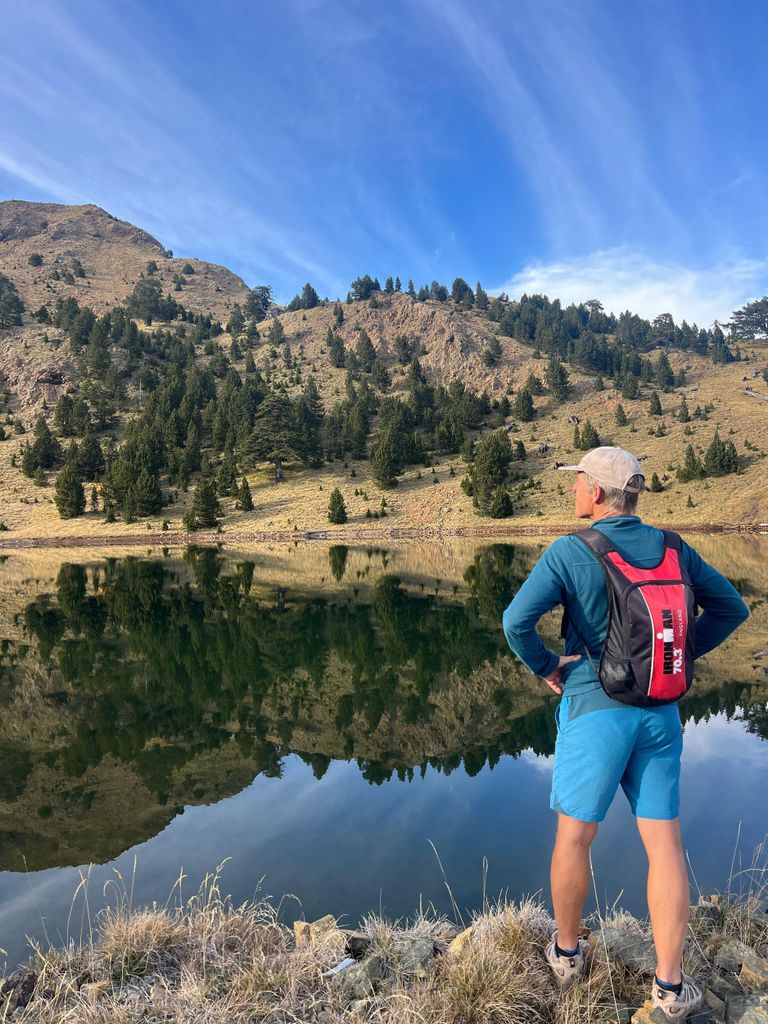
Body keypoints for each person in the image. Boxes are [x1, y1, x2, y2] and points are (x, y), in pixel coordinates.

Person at [501, 446, 749, 1020]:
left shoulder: (570, 550)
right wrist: (679, 655)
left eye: (578, 479)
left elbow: (516, 623)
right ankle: (669, 987)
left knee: (574, 837)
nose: (574, 488)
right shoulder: (674, 547)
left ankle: (567, 955)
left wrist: (547, 669)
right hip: (660, 712)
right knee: (664, 844)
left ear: (595, 492)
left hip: (595, 709)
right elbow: (731, 609)